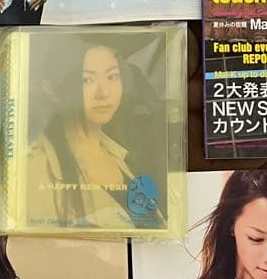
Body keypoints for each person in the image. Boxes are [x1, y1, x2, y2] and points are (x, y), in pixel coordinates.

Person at [26, 41, 165, 230]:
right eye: (87, 80)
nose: (104, 93)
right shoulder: (35, 171)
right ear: (52, 90)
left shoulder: (122, 155)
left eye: (112, 76)